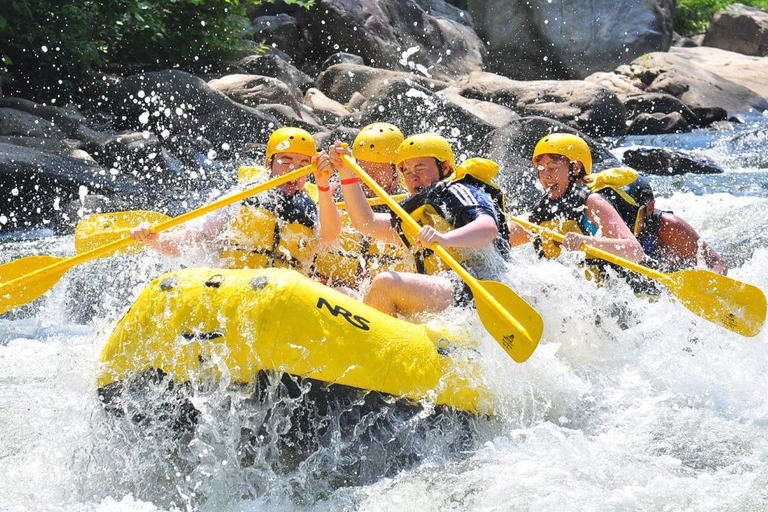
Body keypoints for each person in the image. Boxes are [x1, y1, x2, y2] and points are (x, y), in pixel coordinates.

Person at [335, 132, 511, 317]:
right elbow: (367, 222)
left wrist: (444, 238)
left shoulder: (458, 190)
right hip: (443, 292)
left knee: (384, 285)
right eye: (407, 172)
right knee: (345, 296)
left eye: (420, 169)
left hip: (478, 286)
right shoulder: (412, 209)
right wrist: (347, 173)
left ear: (445, 167)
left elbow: (488, 227)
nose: (413, 178)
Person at [130, 127, 340, 276]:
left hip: (285, 299)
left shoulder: (312, 207)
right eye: (286, 161)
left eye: (304, 164)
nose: (294, 170)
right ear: (269, 164)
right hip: (238, 290)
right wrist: (155, 239)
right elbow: (191, 238)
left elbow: (330, 235)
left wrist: (323, 184)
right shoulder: (241, 198)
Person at [507, 133, 645, 269]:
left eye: (552, 167)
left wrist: (585, 241)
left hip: (605, 287)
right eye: (541, 168)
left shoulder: (592, 202)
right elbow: (502, 241)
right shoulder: (542, 209)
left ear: (576, 167)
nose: (545, 176)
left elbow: (635, 251)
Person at [313, 122, 416, 288]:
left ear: (396, 175)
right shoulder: (332, 192)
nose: (369, 178)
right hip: (331, 290)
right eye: (363, 170)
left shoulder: (409, 206)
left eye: (377, 170)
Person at [597, 173, 727, 274]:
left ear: (650, 208)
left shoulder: (670, 228)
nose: (618, 219)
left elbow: (717, 262)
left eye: (626, 213)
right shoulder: (600, 222)